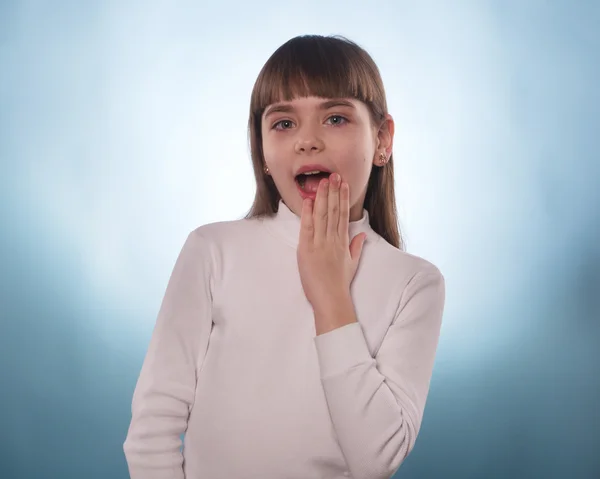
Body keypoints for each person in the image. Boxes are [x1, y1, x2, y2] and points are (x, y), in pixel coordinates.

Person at [123, 34, 446, 479]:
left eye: (335, 118)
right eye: (283, 123)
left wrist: (331, 295)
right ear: (261, 149)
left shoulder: (415, 283)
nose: (307, 141)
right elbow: (152, 427)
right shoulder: (212, 251)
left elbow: (377, 459)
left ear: (383, 140)